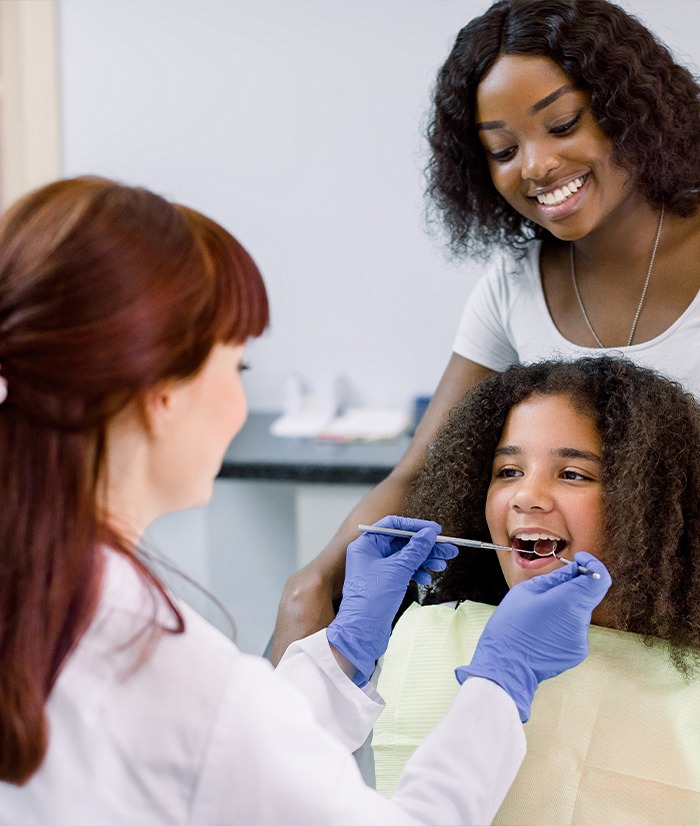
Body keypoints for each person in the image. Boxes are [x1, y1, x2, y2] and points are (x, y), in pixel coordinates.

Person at [0, 176, 610, 825]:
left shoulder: (54, 600)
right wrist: (501, 682)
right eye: (237, 369)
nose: (529, 498)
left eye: (572, 475)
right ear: (163, 395)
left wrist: (339, 655)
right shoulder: (168, 671)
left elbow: (229, 766)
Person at [269, 0, 700, 664]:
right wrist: (317, 582)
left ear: (629, 109)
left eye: (561, 124)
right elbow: (422, 471)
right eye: (503, 148)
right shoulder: (511, 288)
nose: (535, 165)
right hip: (566, 647)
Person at [369, 356, 700, 822]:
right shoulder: (427, 639)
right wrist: (339, 654)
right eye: (508, 471)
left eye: (572, 474)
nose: (526, 496)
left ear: (652, 506)